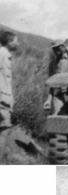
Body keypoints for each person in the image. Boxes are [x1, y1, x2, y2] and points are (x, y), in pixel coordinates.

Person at [43, 40, 68, 115]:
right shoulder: (53, 63)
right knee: (57, 118)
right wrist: (48, 100)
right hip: (58, 95)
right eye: (54, 49)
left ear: (63, 47)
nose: (56, 51)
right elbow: (52, 83)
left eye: (58, 48)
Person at [0, 30, 19, 159]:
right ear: (9, 42)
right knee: (4, 131)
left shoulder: (5, 54)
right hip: (2, 99)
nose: (18, 44)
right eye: (16, 41)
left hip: (4, 98)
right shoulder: (2, 54)